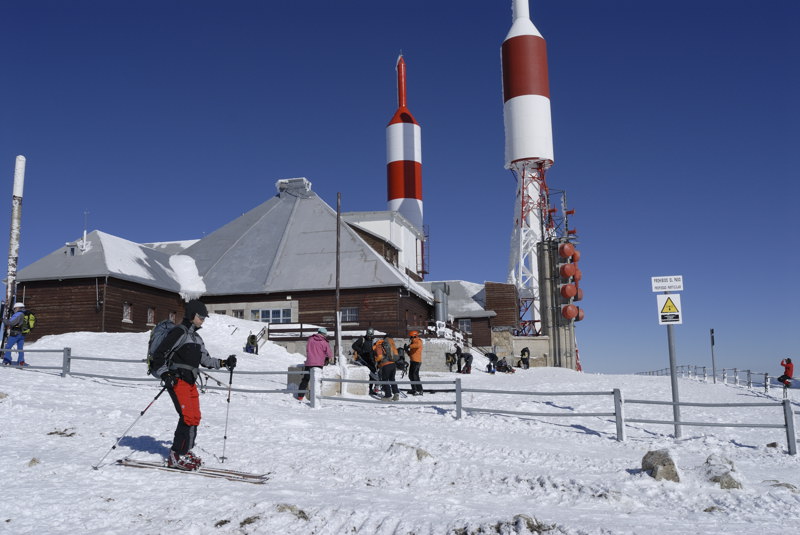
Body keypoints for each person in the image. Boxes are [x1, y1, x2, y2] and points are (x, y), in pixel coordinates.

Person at [150, 299, 236, 471]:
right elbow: (159, 355)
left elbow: (205, 360)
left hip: (190, 382)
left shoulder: (196, 338)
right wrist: (166, 374)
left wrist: (225, 362)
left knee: (195, 416)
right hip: (177, 380)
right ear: (192, 315)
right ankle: (176, 454)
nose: (203, 319)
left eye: (204, 316)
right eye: (200, 316)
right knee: (187, 417)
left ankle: (185, 450)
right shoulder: (178, 333)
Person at [297, 327, 332, 401]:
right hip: (319, 363)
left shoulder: (310, 339)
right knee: (317, 380)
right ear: (323, 334)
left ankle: (300, 396)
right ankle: (315, 397)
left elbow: (307, 350)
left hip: (309, 362)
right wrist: (329, 357)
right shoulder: (324, 341)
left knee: (306, 379)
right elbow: (329, 353)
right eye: (325, 334)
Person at [352, 328, 379, 394]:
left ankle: (370, 388)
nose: (369, 337)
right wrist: (361, 351)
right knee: (365, 374)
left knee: (372, 375)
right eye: (368, 335)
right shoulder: (362, 339)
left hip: (371, 360)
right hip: (362, 360)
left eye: (371, 336)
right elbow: (354, 346)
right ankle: (365, 388)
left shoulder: (374, 341)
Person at [374, 333, 400, 401]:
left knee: (384, 380)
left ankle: (388, 395)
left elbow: (379, 357)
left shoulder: (379, 345)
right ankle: (396, 393)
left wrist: (375, 359)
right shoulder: (392, 344)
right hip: (393, 364)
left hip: (386, 365)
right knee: (392, 379)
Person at [3, 302, 28, 366]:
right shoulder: (25, 314)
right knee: (20, 348)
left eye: (15, 308)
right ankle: (21, 362)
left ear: (18, 308)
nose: (14, 310)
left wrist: (3, 320)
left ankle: (7, 361)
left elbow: (11, 323)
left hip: (15, 333)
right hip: (22, 334)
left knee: (8, 347)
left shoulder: (18, 314)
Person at [406, 330, 423, 395]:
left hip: (417, 362)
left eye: (411, 337)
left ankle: (419, 390)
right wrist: (406, 350)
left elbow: (418, 345)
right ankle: (414, 389)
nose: (410, 338)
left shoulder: (418, 341)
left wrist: (409, 346)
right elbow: (411, 354)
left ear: (414, 336)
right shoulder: (413, 344)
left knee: (415, 376)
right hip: (412, 361)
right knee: (411, 376)